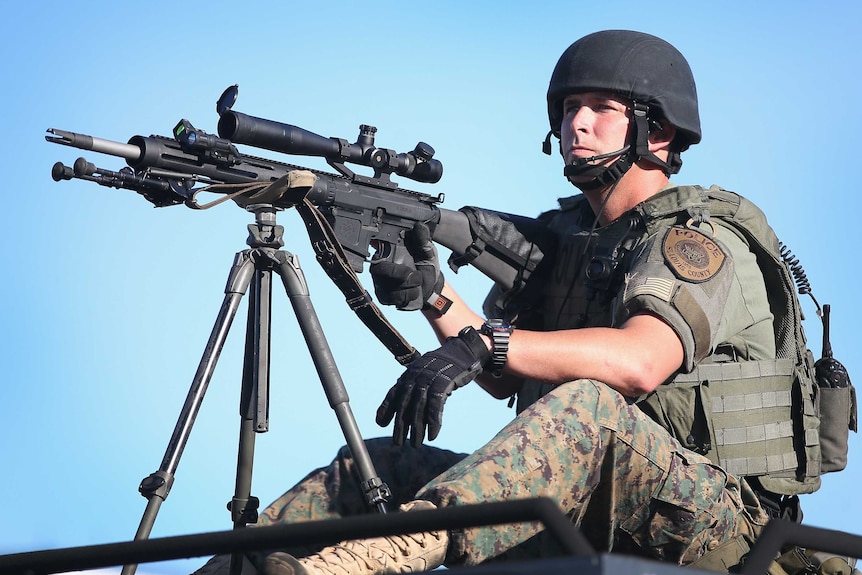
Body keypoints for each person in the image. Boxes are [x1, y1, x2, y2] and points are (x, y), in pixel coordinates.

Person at [194, 29, 836, 575]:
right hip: (590, 507)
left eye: (601, 108)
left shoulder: (699, 239)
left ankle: (379, 556)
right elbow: (503, 376)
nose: (576, 123)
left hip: (718, 526)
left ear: (657, 130)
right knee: (378, 465)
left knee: (587, 404)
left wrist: (483, 344)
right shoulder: (572, 240)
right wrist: (434, 294)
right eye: (569, 108)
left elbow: (640, 362)